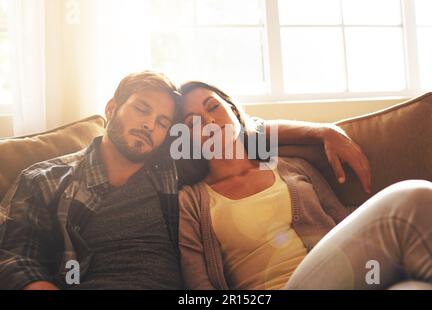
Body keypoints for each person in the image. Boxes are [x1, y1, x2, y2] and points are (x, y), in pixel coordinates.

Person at [0, 71, 370, 290]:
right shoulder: (47, 179)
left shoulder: (172, 168)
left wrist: (323, 131)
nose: (150, 125)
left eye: (163, 122)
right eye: (142, 110)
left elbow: (234, 131)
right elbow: (15, 256)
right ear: (112, 108)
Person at [177, 81, 432, 290]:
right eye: (193, 122)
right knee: (416, 197)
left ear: (234, 111)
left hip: (343, 275)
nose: (210, 122)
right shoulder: (191, 201)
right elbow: (199, 289)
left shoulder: (293, 166)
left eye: (213, 107)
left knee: (416, 287)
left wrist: (325, 132)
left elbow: (345, 226)